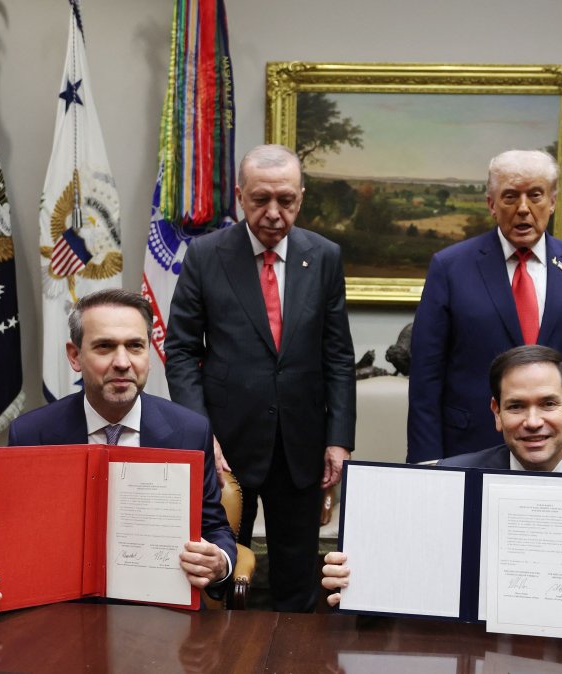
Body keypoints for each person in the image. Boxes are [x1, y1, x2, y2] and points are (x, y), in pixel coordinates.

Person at [324, 345, 562, 633]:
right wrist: (359, 582)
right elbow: (400, 592)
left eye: (548, 403)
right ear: (497, 413)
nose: (533, 422)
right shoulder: (447, 481)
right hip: (475, 654)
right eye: (516, 406)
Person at [0, 289, 235, 620]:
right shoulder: (34, 433)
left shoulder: (189, 431)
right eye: (105, 347)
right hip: (60, 613)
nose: (122, 362)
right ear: (75, 356)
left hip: (162, 613)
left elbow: (215, 526)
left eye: (135, 346)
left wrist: (219, 561)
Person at [165, 144, 356, 613]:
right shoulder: (206, 255)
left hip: (301, 442)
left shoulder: (324, 256)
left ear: (302, 197)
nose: (274, 213)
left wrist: (339, 439)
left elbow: (338, 356)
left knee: (297, 576)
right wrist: (200, 433)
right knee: (220, 573)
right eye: (260, 199)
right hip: (227, 445)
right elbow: (182, 350)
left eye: (286, 200)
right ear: (238, 196)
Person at [407, 150, 562, 462]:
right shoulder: (450, 268)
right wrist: (426, 464)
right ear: (491, 204)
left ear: (553, 202)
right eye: (510, 197)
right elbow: (426, 376)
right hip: (470, 447)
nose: (523, 209)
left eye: (535, 195)